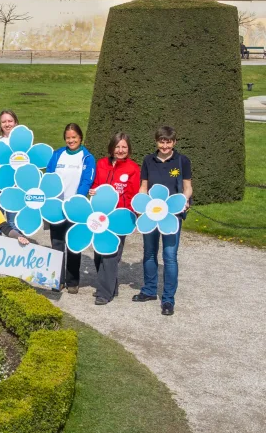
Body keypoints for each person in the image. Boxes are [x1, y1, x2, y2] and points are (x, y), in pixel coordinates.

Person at [133, 126, 192, 316]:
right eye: (161, 141)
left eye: (168, 142)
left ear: (174, 142)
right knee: (149, 252)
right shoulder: (148, 160)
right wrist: (141, 205)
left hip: (171, 216)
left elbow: (187, 187)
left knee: (169, 256)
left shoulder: (182, 161)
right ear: (156, 142)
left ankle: (168, 299)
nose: (165, 145)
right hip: (151, 215)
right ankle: (150, 290)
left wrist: (184, 201)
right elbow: (143, 186)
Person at [89, 132, 139, 306]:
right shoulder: (101, 163)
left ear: (129, 149)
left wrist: (131, 215)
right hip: (100, 216)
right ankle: (111, 286)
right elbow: (95, 185)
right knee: (98, 253)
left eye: (124, 147)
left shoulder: (133, 168)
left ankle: (104, 293)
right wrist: (92, 191)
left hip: (120, 217)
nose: (120, 150)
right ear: (112, 147)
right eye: (117, 146)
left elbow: (134, 195)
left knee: (110, 255)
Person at [46, 123, 96, 294]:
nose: (71, 140)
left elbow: (86, 181)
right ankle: (57, 279)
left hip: (75, 207)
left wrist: (77, 200)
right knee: (57, 243)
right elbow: (49, 176)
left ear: (80, 138)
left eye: (74, 137)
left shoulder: (87, 157)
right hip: (57, 207)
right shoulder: (58, 154)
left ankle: (72, 281)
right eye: (68, 138)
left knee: (73, 244)